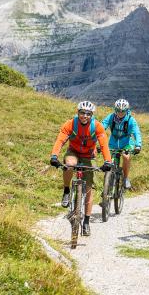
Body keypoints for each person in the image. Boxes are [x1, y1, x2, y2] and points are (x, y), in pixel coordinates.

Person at [49, 101, 113, 236]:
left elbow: (104, 145)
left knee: (89, 190)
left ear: (92, 115)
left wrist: (107, 161)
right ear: (78, 113)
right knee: (69, 165)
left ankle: (86, 222)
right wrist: (54, 156)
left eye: (88, 114)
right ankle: (66, 190)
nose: (85, 116)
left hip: (89, 156)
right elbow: (60, 140)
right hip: (73, 152)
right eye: (82, 113)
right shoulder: (70, 124)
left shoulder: (97, 127)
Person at [101, 98, 142, 189]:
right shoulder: (111, 117)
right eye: (118, 110)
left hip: (127, 143)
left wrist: (138, 145)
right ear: (115, 109)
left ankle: (126, 178)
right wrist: (95, 138)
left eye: (123, 111)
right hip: (113, 143)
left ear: (127, 110)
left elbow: (136, 132)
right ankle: (106, 186)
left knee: (126, 156)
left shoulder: (131, 120)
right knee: (109, 162)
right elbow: (101, 128)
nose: (120, 113)